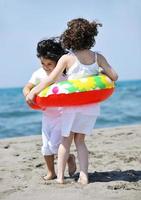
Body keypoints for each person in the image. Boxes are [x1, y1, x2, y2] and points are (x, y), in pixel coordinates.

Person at [26, 18, 118, 184]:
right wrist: (101, 76)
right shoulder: (98, 57)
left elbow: (51, 80)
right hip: (90, 107)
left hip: (71, 107)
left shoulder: (67, 58)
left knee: (65, 141)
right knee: (80, 141)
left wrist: (33, 92)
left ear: (68, 37)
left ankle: (60, 177)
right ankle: (84, 175)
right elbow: (114, 76)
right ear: (91, 37)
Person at [23, 38, 76, 180]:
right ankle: (51, 172)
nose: (46, 67)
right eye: (43, 63)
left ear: (58, 62)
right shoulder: (38, 73)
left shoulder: (65, 74)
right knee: (45, 147)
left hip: (62, 114)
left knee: (55, 146)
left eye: (49, 64)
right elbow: (27, 87)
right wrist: (28, 95)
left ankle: (69, 157)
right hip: (47, 115)